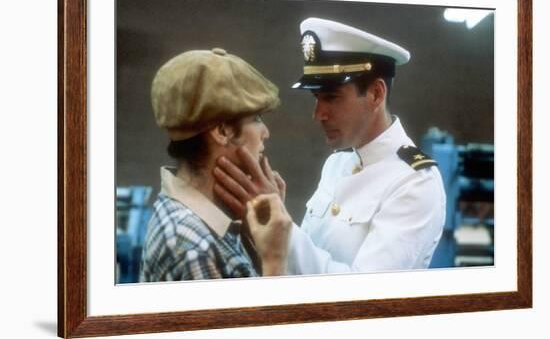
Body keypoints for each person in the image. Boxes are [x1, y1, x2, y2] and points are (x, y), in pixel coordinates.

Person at [213, 18, 446, 275]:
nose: (318, 114)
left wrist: (283, 228)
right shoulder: (337, 163)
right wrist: (276, 224)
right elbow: (306, 265)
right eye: (316, 98)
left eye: (332, 98)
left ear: (376, 94)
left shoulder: (415, 182)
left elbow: (362, 296)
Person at [140, 48, 291, 282]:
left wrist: (255, 238)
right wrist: (275, 260)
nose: (266, 133)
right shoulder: (193, 248)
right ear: (222, 131)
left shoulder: (201, 220)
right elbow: (259, 320)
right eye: (256, 119)